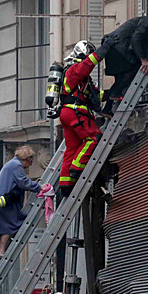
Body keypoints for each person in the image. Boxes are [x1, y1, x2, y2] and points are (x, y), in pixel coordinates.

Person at [58, 39, 114, 197]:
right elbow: (86, 66)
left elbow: (96, 96)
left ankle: (65, 184)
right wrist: (103, 51)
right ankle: (76, 170)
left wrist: (113, 94)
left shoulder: (83, 81)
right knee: (94, 138)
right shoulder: (73, 70)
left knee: (72, 149)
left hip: (68, 113)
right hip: (75, 112)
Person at [0, 145, 45, 257]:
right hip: (4, 200)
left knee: (6, 224)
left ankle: (1, 248)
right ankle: (1, 249)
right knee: (10, 223)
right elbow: (23, 182)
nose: (31, 164)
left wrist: (34, 184)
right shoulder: (16, 166)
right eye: (30, 161)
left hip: (1, 199)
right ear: (26, 159)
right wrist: (39, 187)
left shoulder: (13, 164)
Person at [102, 16, 148, 103]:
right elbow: (136, 39)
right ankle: (114, 94)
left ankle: (107, 109)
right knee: (135, 68)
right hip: (118, 48)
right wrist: (143, 60)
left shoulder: (142, 22)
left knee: (119, 81)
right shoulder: (147, 22)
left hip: (112, 47)